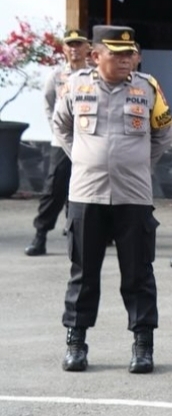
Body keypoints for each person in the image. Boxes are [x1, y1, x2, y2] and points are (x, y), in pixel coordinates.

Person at [53, 25, 172, 374]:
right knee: (83, 273)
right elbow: (60, 125)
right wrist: (82, 157)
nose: (125, 60)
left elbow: (163, 134)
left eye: (129, 53)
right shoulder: (76, 85)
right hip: (86, 193)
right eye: (117, 54)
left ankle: (143, 345)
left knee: (138, 273)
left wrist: (137, 165)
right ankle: (76, 343)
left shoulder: (146, 87)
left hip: (133, 195)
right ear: (96, 56)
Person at [26, 28, 90, 257]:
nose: (74, 49)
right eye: (70, 45)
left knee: (92, 187)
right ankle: (40, 234)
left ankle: (97, 234)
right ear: (64, 49)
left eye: (79, 44)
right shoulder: (56, 76)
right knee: (55, 188)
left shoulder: (95, 75)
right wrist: (57, 131)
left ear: (87, 48)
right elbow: (48, 103)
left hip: (89, 139)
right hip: (63, 141)